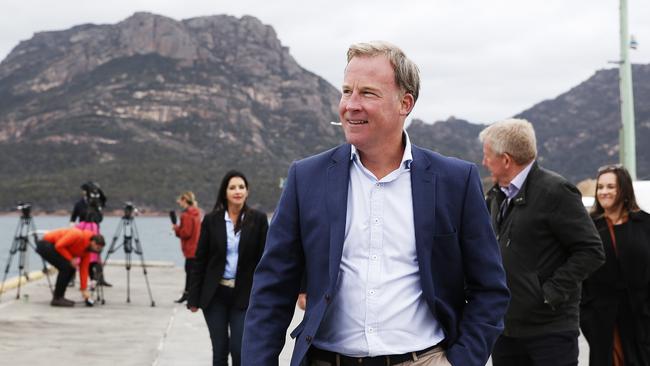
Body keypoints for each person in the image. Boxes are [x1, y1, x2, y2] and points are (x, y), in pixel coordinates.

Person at [242, 41, 510, 366]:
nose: (351, 105)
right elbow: (272, 288)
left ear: (405, 103)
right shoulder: (306, 178)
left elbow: (490, 289)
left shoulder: (455, 181)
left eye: (367, 93)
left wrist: (462, 361)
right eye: (346, 91)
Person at [480, 118, 605, 366]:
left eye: (487, 156)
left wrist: (549, 293)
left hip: (550, 332)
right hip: (506, 330)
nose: (484, 163)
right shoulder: (495, 196)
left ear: (506, 159)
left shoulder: (556, 191)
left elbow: (591, 250)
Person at [187, 170, 269, 366]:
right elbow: (200, 260)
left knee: (239, 350)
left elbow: (265, 260)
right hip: (215, 294)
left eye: (241, 187)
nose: (237, 191)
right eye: (232, 187)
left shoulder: (257, 219)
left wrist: (265, 296)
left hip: (244, 295)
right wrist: (193, 297)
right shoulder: (211, 220)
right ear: (225, 192)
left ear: (247, 192)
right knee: (220, 350)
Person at [580, 164, 650, 366]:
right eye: (600, 187)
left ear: (624, 189)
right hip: (602, 323)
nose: (604, 192)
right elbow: (580, 275)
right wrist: (587, 318)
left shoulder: (644, 224)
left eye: (611, 186)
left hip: (641, 321)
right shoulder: (589, 227)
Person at [36, 227, 105, 307]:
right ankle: (57, 298)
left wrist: (84, 289)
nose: (98, 251)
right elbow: (59, 245)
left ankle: (59, 296)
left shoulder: (86, 252)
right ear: (93, 242)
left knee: (71, 268)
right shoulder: (77, 235)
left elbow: (84, 270)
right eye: (98, 248)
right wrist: (71, 259)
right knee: (66, 267)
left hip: (54, 247)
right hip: (46, 244)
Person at [70, 181, 111, 288]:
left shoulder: (96, 203)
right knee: (79, 254)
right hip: (82, 231)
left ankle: (99, 279)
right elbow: (73, 218)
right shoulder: (79, 204)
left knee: (96, 254)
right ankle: (72, 278)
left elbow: (104, 201)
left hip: (95, 229)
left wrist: (97, 190)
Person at [172, 191, 201, 303]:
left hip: (190, 249)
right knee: (192, 273)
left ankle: (189, 296)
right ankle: (188, 294)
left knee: (190, 272)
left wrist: (176, 229)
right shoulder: (196, 213)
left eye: (180, 200)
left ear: (185, 200)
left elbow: (186, 233)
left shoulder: (187, 215)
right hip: (196, 247)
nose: (179, 203)